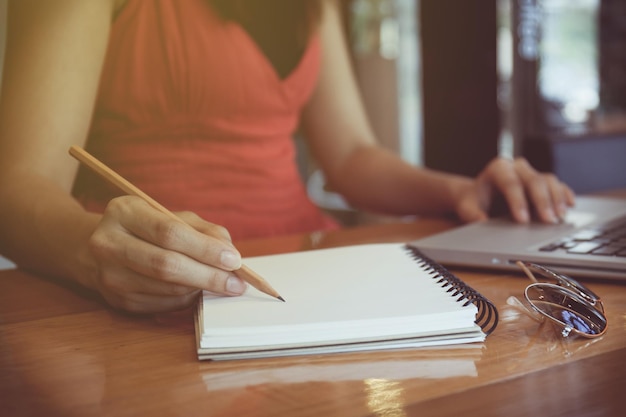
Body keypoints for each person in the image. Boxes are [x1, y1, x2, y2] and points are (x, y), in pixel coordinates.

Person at [0, 0, 574, 314]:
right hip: (153, 291)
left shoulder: (311, 6)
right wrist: (90, 253)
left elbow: (350, 155)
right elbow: (17, 185)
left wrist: (458, 192)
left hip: (308, 267)